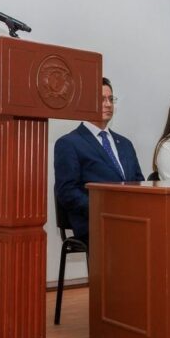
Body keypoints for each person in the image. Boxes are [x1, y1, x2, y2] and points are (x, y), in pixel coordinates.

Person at [53, 78, 143, 245]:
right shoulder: (69, 143)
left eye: (111, 99)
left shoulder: (125, 144)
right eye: (101, 99)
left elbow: (139, 182)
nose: (108, 104)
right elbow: (67, 191)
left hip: (131, 219)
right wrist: (103, 209)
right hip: (94, 222)